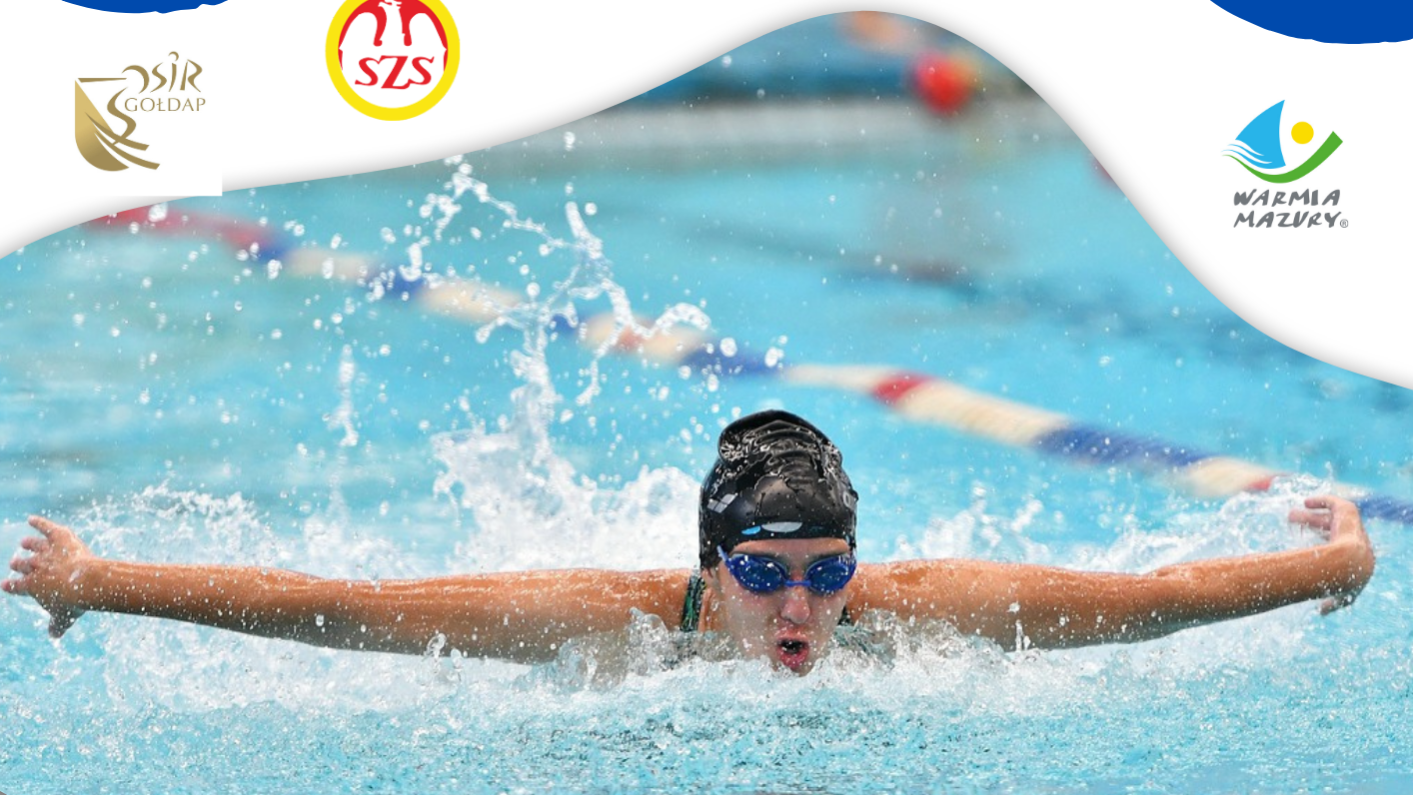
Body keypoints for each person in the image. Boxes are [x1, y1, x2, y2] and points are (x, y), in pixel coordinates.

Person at [4, 410, 1375, 675]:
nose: (801, 607)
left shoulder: (923, 609)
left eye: (828, 573)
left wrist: (1338, 561)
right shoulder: (606, 616)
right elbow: (351, 607)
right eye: (766, 574)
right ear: (713, 568)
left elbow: (1154, 599)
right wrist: (101, 582)